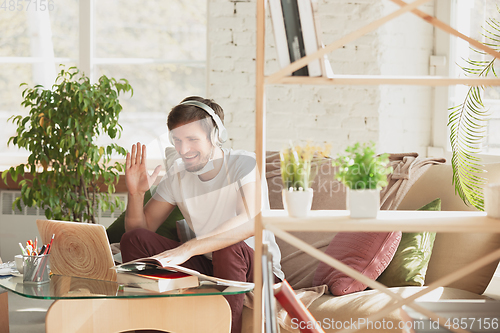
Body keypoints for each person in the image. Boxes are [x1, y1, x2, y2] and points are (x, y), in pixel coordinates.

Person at [120, 96, 283, 333]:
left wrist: (186, 249)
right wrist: (136, 194)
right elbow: (138, 231)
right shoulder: (177, 174)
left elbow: (249, 223)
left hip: (257, 268)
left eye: (192, 139)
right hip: (210, 266)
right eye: (177, 140)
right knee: (133, 240)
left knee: (228, 246)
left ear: (216, 136)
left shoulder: (244, 163)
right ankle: (150, 328)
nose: (183, 150)